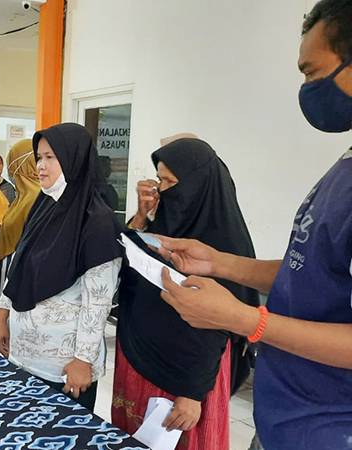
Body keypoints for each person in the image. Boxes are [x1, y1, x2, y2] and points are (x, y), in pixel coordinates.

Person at [154, 2, 352, 448]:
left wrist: (245, 319)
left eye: (313, 72)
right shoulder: (344, 167)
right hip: (288, 414)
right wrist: (219, 263)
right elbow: (313, 273)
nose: (306, 89)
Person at [112, 138, 258, 450]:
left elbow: (217, 327)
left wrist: (192, 393)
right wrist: (141, 217)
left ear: (196, 185)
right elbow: (126, 262)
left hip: (186, 379)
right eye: (159, 179)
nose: (161, 189)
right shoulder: (169, 224)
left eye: (169, 181)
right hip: (140, 357)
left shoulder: (224, 244)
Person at [0, 123, 123, 411]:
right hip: (23, 354)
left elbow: (98, 301)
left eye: (50, 157)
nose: (40, 166)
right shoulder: (44, 205)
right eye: (38, 157)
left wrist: (83, 360)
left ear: (73, 159)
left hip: (64, 368)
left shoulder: (97, 221)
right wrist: (3, 312)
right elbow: (20, 262)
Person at [0, 139, 40, 306]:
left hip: (14, 272)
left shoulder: (36, 197)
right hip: (6, 268)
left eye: (11, 162)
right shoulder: (23, 195)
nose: (9, 169)